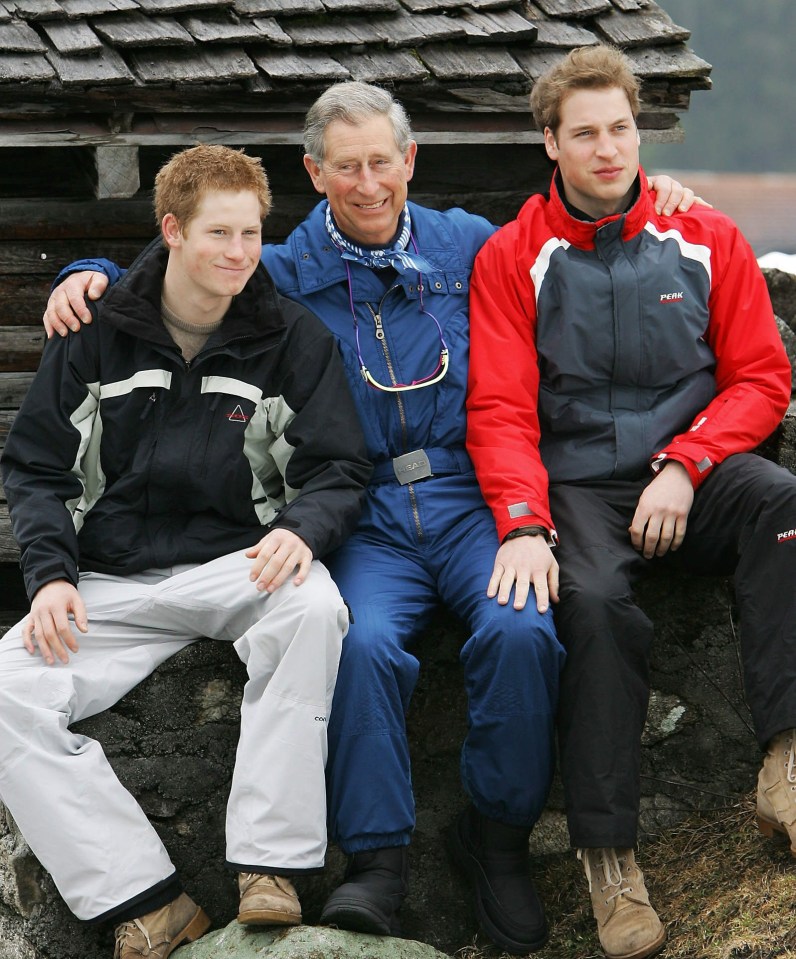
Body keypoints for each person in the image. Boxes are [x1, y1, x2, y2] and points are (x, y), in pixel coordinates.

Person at [41, 84, 697, 956]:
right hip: (362, 509)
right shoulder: (278, 269)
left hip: (472, 495)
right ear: (315, 173)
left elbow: (574, 229)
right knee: (359, 641)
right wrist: (79, 276)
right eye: (344, 167)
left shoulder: (470, 242)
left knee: (522, 627)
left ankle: (496, 843)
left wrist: (673, 198)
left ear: (409, 160)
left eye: (381, 161)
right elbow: (180, 265)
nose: (366, 183)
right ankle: (378, 862)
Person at [465, 44, 796, 959]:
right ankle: (609, 861)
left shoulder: (707, 236)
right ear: (551, 144)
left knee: (787, 506)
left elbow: (762, 379)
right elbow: (497, 411)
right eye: (585, 134)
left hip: (692, 469)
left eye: (620, 128)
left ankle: (786, 764)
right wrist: (525, 522)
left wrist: (689, 462)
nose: (609, 148)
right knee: (597, 607)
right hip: (578, 488)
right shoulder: (511, 258)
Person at [0, 144, 371, 959]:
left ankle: (270, 869)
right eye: (219, 234)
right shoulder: (92, 329)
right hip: (110, 581)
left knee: (315, 607)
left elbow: (340, 467)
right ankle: (147, 900)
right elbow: (35, 467)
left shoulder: (292, 337)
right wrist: (51, 578)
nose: (240, 253)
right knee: (3, 690)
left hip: (236, 565)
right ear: (171, 230)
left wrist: (299, 530)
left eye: (252, 233)